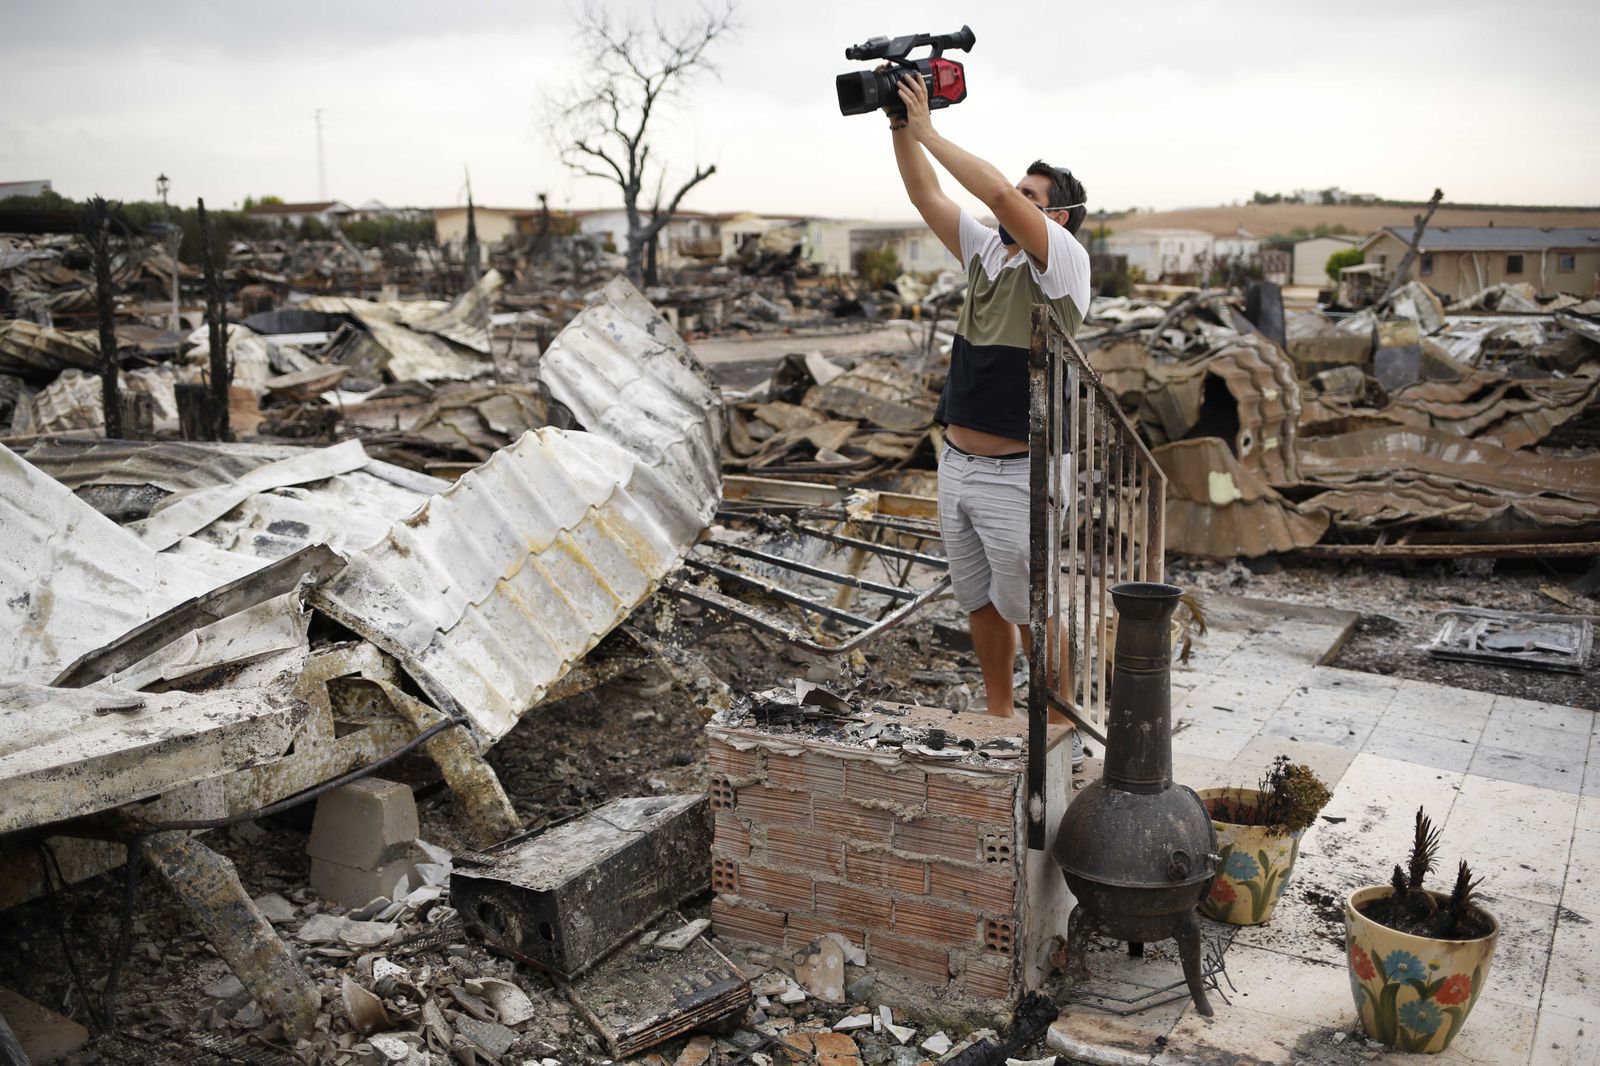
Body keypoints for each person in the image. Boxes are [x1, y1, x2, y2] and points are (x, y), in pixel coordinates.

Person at [884, 68, 1090, 720]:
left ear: (1054, 216)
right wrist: (900, 126)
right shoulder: (986, 253)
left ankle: (1058, 727)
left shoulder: (1062, 262)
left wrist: (930, 129)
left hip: (1019, 472)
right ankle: (1000, 716)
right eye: (1020, 192)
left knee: (1029, 606)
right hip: (959, 462)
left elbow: (998, 192)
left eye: (1033, 196)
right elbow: (926, 193)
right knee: (978, 599)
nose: (1011, 202)